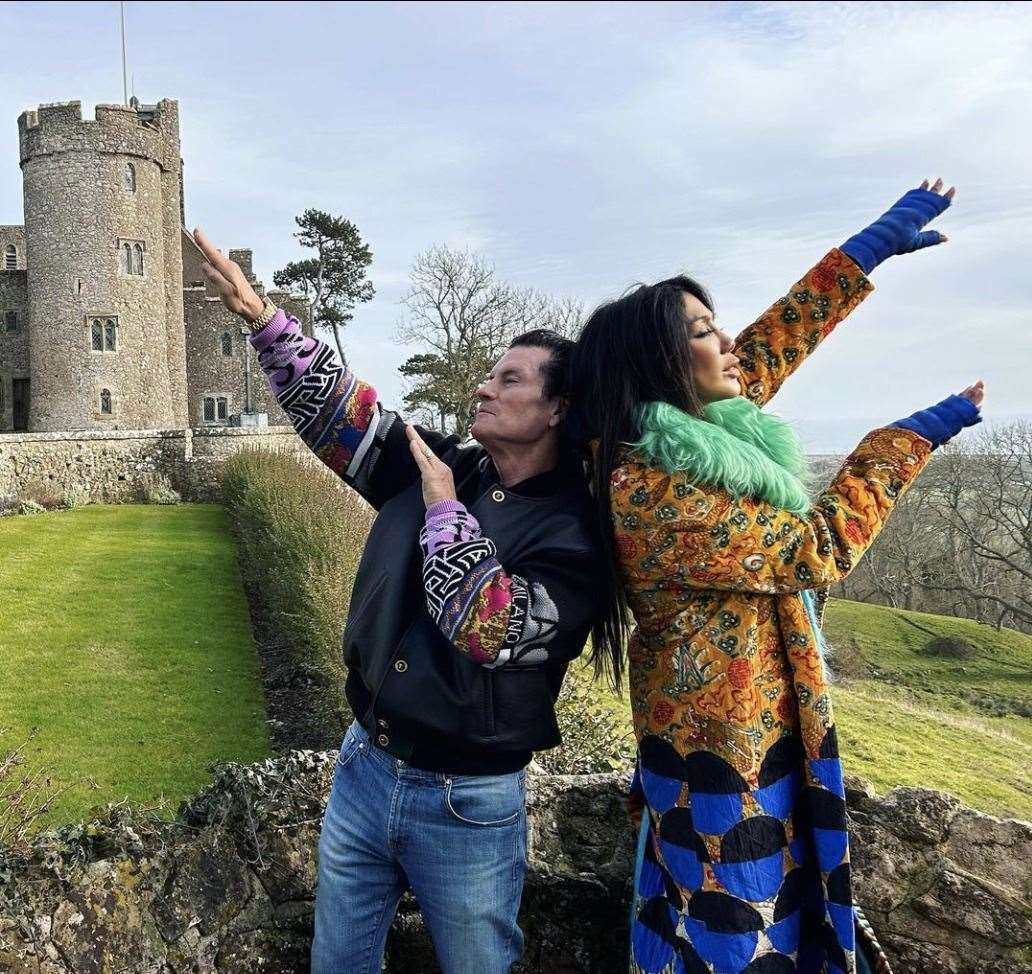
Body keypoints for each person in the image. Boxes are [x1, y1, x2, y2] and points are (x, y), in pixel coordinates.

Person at [566, 180, 983, 974]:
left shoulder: (685, 437)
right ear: (657, 364)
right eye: (702, 331)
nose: (727, 344)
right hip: (723, 772)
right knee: (740, 946)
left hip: (757, 746)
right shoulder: (653, 491)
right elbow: (820, 544)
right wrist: (906, 437)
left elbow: (760, 353)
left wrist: (868, 250)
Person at [192, 227, 607, 974]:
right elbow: (343, 417)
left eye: (509, 379)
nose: (484, 386)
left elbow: (491, 627)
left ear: (557, 410)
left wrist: (445, 506)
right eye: (489, 375)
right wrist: (263, 320)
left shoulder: (576, 535)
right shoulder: (440, 463)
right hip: (364, 769)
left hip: (468, 806)